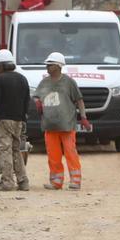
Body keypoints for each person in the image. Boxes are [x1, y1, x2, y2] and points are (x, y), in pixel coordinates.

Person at [34, 51, 91, 190]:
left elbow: (79, 100)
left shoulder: (69, 82)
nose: (47, 67)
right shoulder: (44, 82)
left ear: (59, 66)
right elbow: (37, 96)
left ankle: (75, 181)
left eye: (50, 64)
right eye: (47, 65)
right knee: (53, 155)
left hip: (66, 125)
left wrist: (83, 118)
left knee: (70, 153)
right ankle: (56, 181)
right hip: (50, 125)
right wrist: (37, 102)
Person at [0, 49, 31, 191]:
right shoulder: (22, 78)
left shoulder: (0, 79)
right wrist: (24, 117)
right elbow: (27, 101)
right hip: (18, 120)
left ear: (0, 65)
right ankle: (23, 181)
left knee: (4, 150)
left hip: (3, 120)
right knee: (16, 150)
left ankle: (7, 182)